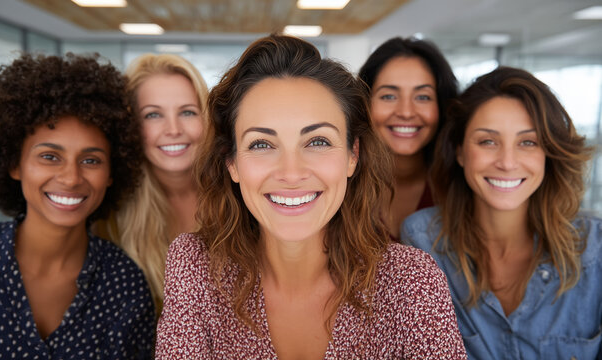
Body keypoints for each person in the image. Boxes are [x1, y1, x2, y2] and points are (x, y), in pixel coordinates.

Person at [155, 34, 467, 359]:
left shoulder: (413, 282)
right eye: (262, 144)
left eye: (317, 141)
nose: (291, 173)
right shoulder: (195, 268)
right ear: (231, 162)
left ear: (352, 155)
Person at [0, 53, 155, 358]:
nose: (71, 178)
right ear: (14, 164)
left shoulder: (124, 283)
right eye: (50, 156)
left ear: (111, 174)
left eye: (91, 160)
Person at [402, 67, 601, 359]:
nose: (507, 162)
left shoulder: (595, 249)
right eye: (488, 141)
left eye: (527, 142)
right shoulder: (423, 241)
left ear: (548, 153)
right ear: (459, 151)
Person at [96, 53, 208, 317]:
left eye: (188, 112)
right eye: (153, 115)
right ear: (131, 125)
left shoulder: (241, 200)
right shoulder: (107, 217)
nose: (173, 129)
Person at [358, 37, 458, 239]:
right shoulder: (341, 183)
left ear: (442, 106)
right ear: (365, 103)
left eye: (422, 97)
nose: (405, 112)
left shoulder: (461, 186)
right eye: (389, 96)